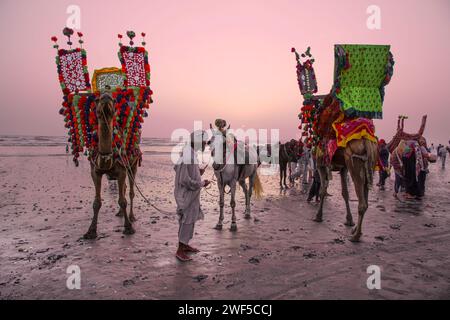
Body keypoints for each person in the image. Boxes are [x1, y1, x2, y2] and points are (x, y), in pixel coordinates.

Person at [174, 130, 210, 262]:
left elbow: (180, 169)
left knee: (191, 218)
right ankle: (180, 250)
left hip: (192, 194)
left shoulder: (191, 153)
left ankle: (185, 245)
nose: (206, 144)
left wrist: (198, 172)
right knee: (187, 219)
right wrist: (201, 183)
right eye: (204, 141)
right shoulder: (188, 155)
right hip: (186, 193)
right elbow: (184, 180)